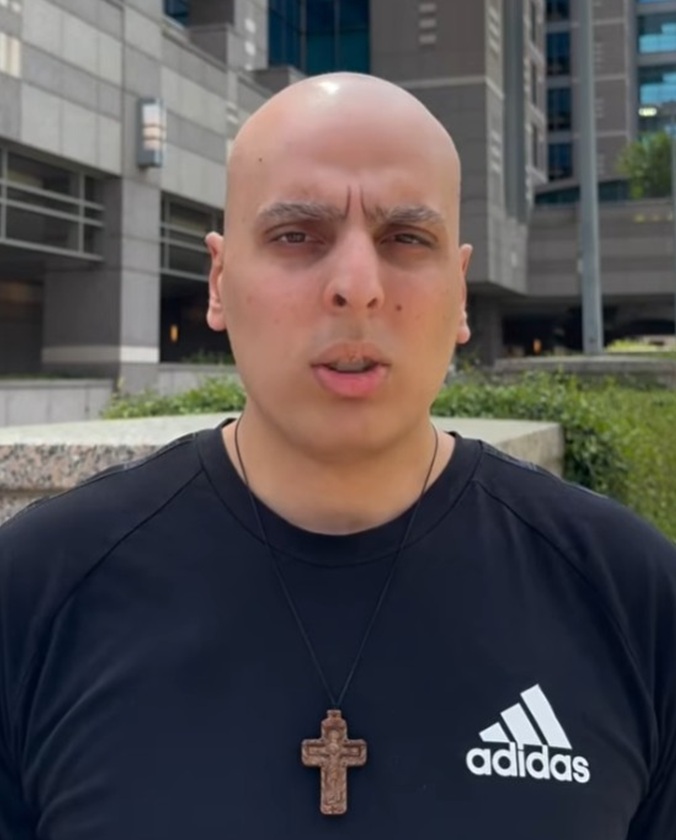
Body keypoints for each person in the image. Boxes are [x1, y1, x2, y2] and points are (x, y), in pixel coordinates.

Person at [1, 72, 675, 840]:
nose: (357, 286)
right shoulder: (36, 592)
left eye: (406, 239)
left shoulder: (633, 598)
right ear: (219, 282)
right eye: (297, 235)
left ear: (460, 293)